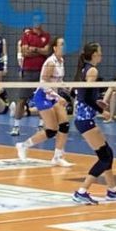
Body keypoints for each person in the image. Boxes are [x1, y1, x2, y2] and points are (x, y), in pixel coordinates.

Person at [71, 43, 116, 204]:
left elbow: (79, 94)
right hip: (85, 119)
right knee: (105, 157)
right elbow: (85, 97)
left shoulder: (84, 69)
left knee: (107, 153)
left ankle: (112, 191)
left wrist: (96, 102)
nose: (101, 55)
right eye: (100, 52)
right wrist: (101, 110)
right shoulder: (92, 70)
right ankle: (81, 191)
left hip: (83, 118)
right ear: (94, 54)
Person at [15, 37, 73, 167]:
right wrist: (58, 97)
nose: (64, 46)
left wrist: (66, 87)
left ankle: (57, 157)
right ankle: (23, 145)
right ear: (55, 48)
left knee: (64, 125)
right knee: (52, 130)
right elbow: (44, 84)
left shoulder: (61, 61)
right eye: (62, 44)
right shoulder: (50, 63)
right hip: (42, 95)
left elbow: (57, 81)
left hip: (53, 96)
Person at [11, 20, 51, 137]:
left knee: (42, 99)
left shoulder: (46, 36)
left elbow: (47, 51)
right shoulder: (27, 35)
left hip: (42, 72)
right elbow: (24, 52)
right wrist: (39, 51)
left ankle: (41, 126)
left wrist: (33, 49)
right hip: (28, 71)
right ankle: (16, 126)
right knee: (22, 99)